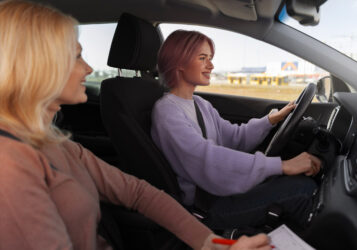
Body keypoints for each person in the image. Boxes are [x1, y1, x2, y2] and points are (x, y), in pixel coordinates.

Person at [0, 1, 272, 250]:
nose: (89, 68)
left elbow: (138, 192)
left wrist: (209, 243)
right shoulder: (10, 165)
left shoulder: (57, 143)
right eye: (76, 56)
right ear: (35, 65)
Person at [151, 30, 322, 230]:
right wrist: (282, 165)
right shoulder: (166, 111)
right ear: (179, 62)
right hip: (206, 205)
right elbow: (205, 158)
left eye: (210, 58)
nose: (211, 65)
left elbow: (233, 137)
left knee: (292, 183)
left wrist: (269, 120)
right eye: (203, 58)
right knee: (303, 189)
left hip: (218, 190)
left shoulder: (200, 104)